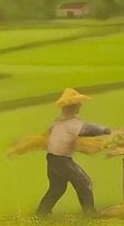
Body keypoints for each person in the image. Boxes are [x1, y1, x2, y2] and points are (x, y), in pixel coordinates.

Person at [35, 88, 111, 216]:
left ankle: (41, 213)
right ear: (72, 106)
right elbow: (90, 129)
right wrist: (107, 130)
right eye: (77, 103)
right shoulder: (72, 124)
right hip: (62, 160)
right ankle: (90, 213)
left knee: (57, 188)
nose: (80, 105)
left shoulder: (57, 123)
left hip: (52, 159)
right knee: (84, 182)